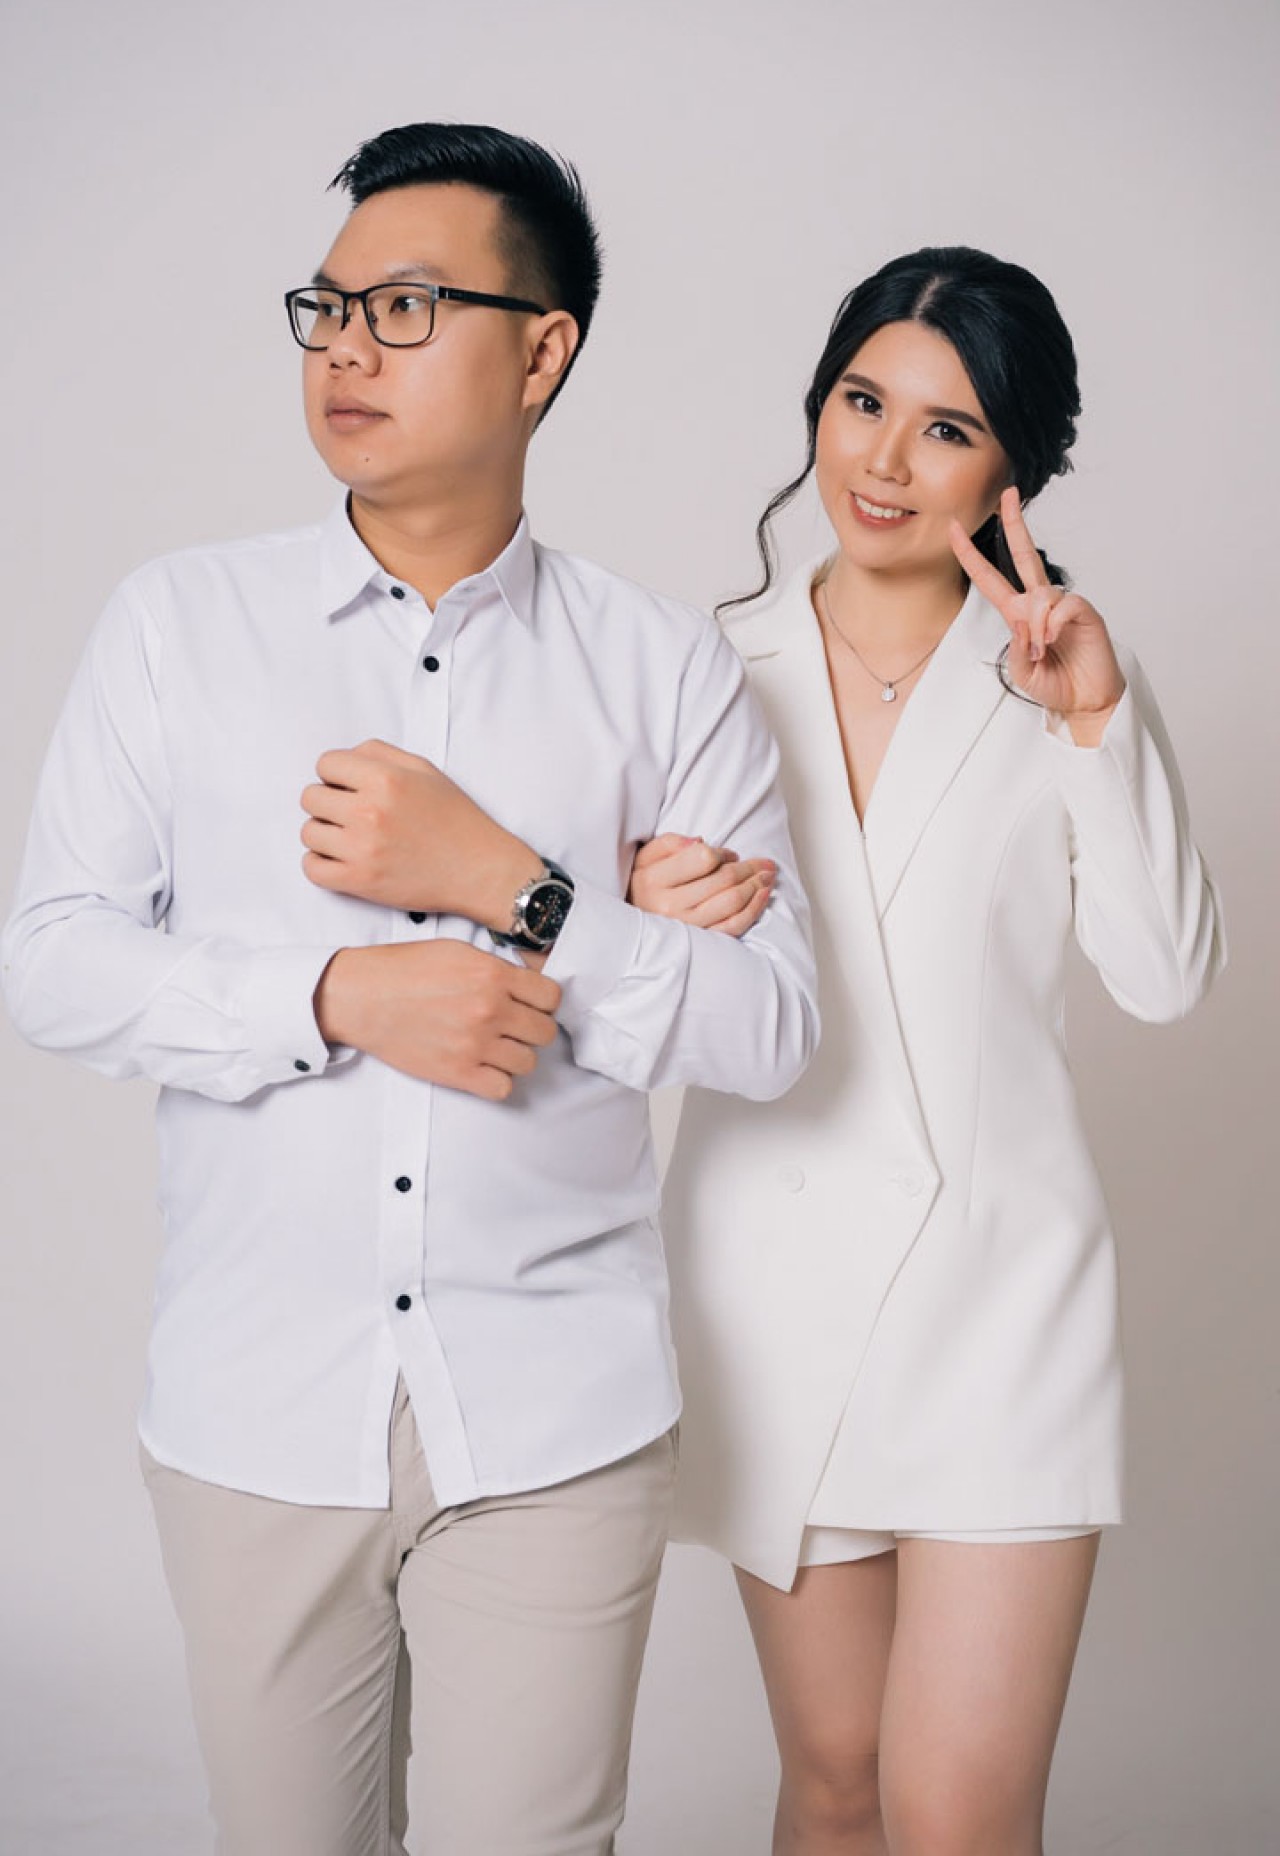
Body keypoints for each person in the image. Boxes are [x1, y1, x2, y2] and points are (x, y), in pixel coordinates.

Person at [0, 122, 818, 1856]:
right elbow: (51, 956)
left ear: (542, 351)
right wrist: (334, 994)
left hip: (556, 1411)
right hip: (252, 1408)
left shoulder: (663, 666)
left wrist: (522, 890)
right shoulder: (177, 626)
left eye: (408, 306)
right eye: (328, 307)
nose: (346, 349)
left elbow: (771, 1030)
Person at [628, 246, 1225, 1856]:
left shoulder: (1057, 670)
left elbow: (1167, 977)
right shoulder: (696, 670)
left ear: (1014, 464)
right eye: (861, 402)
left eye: (946, 428)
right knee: (834, 1785)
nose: (885, 461)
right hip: (773, 1298)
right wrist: (640, 915)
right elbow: (621, 1011)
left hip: (1002, 1300)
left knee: (955, 1815)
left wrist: (1094, 721)